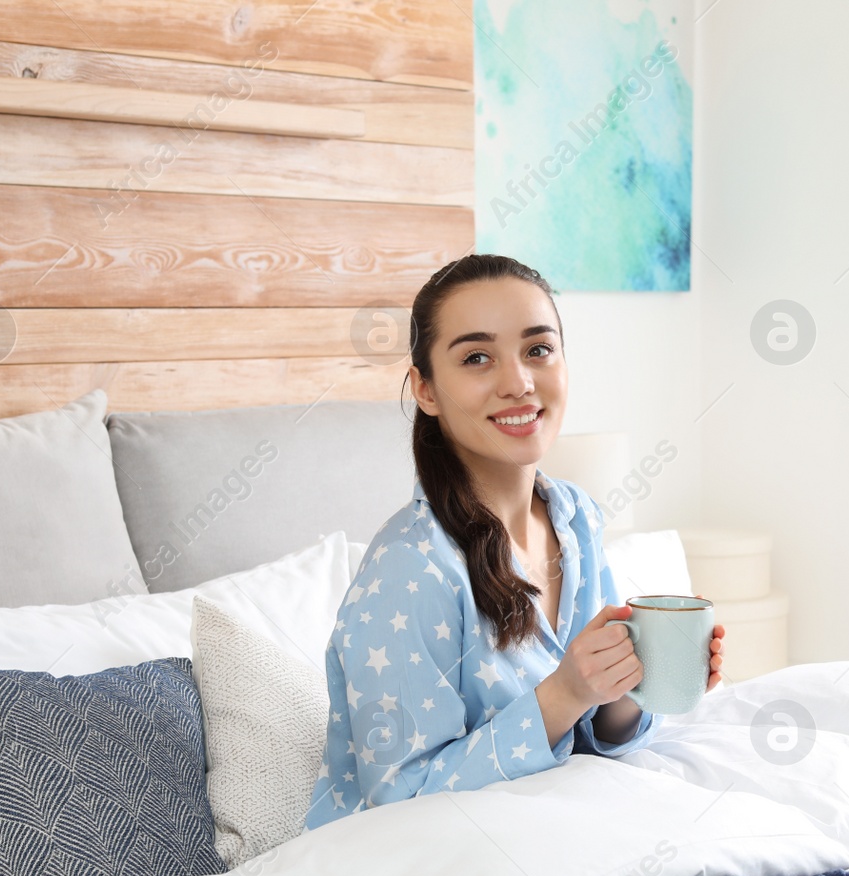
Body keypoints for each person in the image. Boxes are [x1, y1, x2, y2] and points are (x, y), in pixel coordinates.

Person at [304, 254, 725, 829]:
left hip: (563, 836)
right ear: (425, 389)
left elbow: (593, 736)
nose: (518, 383)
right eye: (477, 358)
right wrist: (564, 694)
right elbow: (400, 804)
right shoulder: (409, 568)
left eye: (538, 349)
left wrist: (634, 681)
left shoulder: (576, 519)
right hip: (428, 868)